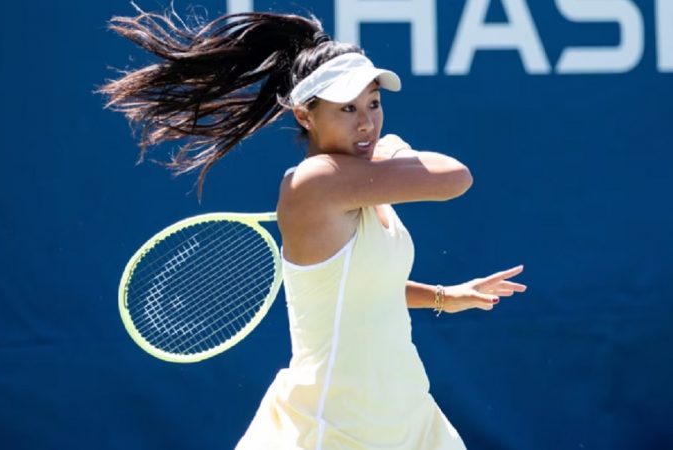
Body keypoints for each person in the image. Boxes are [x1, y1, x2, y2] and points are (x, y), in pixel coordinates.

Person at [99, 7, 527, 449]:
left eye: (373, 103)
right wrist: (390, 154)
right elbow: (455, 176)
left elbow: (360, 287)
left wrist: (443, 296)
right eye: (346, 108)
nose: (366, 123)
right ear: (305, 115)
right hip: (332, 427)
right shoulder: (312, 183)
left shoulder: (366, 171)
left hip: (407, 415)